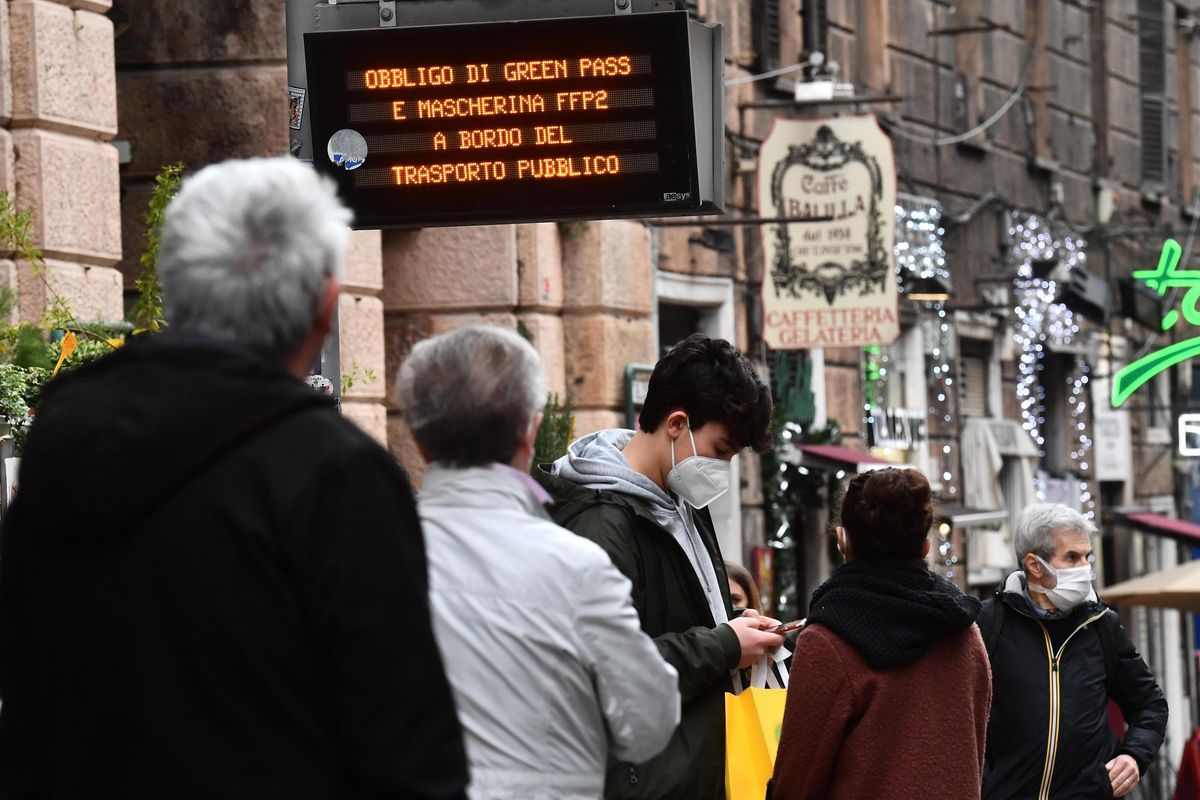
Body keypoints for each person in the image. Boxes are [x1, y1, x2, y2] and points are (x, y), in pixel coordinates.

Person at [0, 157, 468, 798]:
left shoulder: (59, 440)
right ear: (325, 308)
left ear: (177, 285)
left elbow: (26, 706)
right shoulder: (338, 475)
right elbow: (406, 750)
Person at [396, 325, 680, 800]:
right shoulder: (578, 569)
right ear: (530, 430)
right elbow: (649, 724)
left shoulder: (367, 562)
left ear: (420, 441)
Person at [536, 333, 783, 799]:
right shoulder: (601, 524)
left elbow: (674, 622)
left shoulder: (683, 500)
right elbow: (603, 674)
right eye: (721, 449)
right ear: (676, 424)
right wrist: (723, 645)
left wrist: (733, 628)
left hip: (686, 771)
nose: (723, 466)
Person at [770, 468, 991, 800]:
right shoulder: (964, 632)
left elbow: (797, 779)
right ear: (926, 545)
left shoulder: (827, 642)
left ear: (843, 540)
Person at [979, 503, 1168, 799]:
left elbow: (1150, 704)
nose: (1085, 568)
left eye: (1087, 557)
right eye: (1072, 557)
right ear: (1034, 565)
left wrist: (1134, 755)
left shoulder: (1101, 625)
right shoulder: (989, 625)